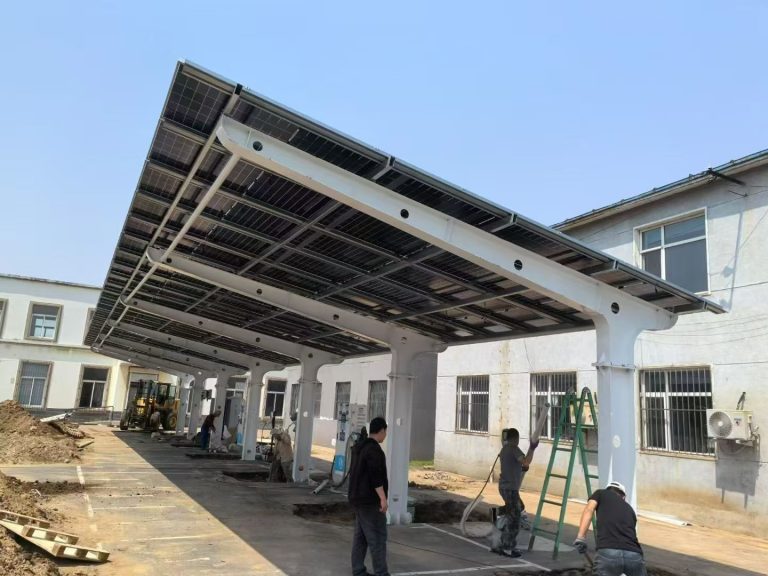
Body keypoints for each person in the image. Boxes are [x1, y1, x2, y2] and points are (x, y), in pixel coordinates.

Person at [573, 481, 647, 576]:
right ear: (623, 497)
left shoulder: (600, 493)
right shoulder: (630, 510)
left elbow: (589, 510)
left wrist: (580, 538)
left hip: (608, 552)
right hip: (634, 556)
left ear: (608, 490)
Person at [348, 417, 390, 576]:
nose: (385, 435)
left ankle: (358, 570)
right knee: (377, 537)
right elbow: (375, 476)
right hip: (369, 501)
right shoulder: (374, 450)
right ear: (382, 431)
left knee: (361, 537)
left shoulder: (360, 447)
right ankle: (381, 572)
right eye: (385, 432)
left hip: (357, 499)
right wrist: (383, 498)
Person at [493, 428, 538, 557]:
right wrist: (532, 448)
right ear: (516, 438)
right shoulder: (513, 448)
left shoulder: (505, 449)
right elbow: (526, 461)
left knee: (515, 511)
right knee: (515, 519)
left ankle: (498, 516)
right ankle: (507, 547)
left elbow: (516, 465)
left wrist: (522, 468)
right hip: (510, 488)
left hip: (506, 487)